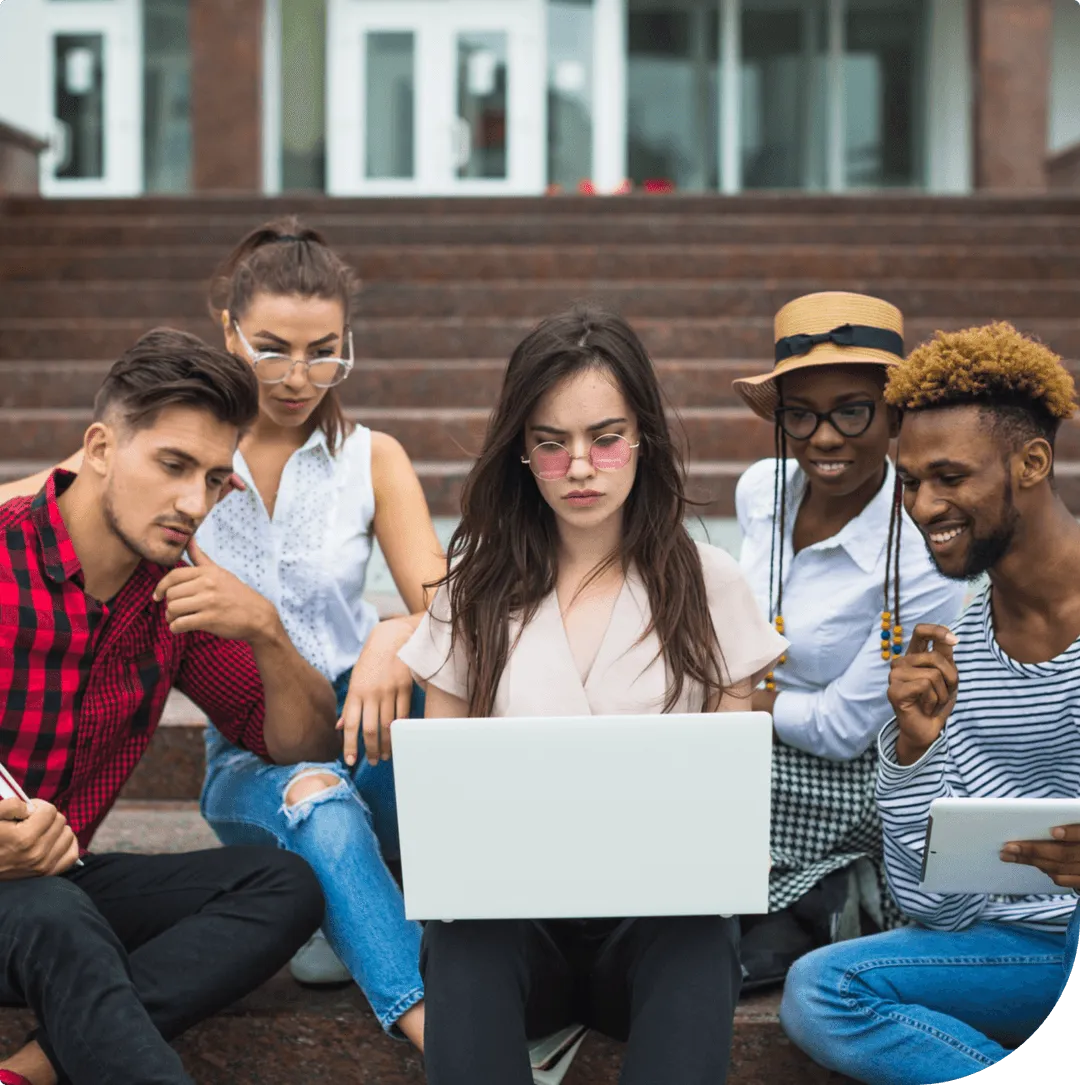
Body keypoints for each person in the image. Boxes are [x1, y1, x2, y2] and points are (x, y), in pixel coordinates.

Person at [0, 219, 447, 1049]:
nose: (298, 376)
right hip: (243, 753)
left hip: (354, 717)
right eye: (274, 348)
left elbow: (448, 604)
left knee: (414, 730)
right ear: (229, 326)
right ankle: (439, 1023)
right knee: (314, 803)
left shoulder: (360, 460)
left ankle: (433, 924)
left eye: (326, 351)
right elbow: (60, 488)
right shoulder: (165, 449)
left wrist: (385, 630)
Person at [398, 307, 788, 1085]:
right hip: (515, 939)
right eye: (552, 443)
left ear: (643, 438)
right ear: (522, 451)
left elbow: (724, 807)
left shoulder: (712, 586)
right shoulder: (471, 590)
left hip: (647, 942)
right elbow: (444, 807)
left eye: (605, 438)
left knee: (701, 931)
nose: (580, 466)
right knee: (464, 935)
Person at [0, 329, 329, 1085]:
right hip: (37, 905)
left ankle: (32, 1067)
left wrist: (268, 632)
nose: (193, 502)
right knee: (56, 913)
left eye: (215, 479)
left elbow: (298, 742)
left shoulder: (175, 594)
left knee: (283, 884)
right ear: (101, 448)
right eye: (173, 465)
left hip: (58, 895)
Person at [780, 322, 1080, 1085]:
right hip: (1013, 952)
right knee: (822, 989)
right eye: (910, 481)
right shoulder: (960, 650)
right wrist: (914, 753)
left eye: (950, 476)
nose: (923, 505)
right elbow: (936, 910)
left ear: (1032, 462)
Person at [730, 292, 965, 986]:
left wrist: (744, 700)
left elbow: (841, 727)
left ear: (894, 415)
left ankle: (826, 890)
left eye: (851, 410)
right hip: (748, 728)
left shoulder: (923, 557)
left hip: (847, 773)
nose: (823, 437)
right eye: (799, 413)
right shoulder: (761, 491)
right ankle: (794, 902)